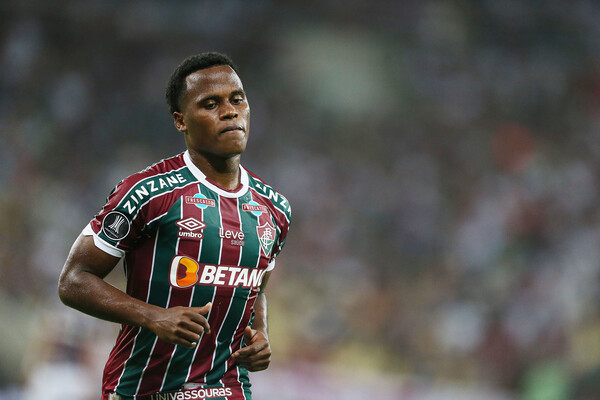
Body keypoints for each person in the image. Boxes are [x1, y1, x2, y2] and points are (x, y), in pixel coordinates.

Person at [58, 52, 292, 400]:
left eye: (237, 99)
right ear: (181, 121)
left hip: (227, 389)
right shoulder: (147, 192)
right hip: (144, 390)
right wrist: (153, 316)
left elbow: (255, 288)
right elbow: (74, 280)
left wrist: (260, 332)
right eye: (211, 104)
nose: (230, 111)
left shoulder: (274, 207)